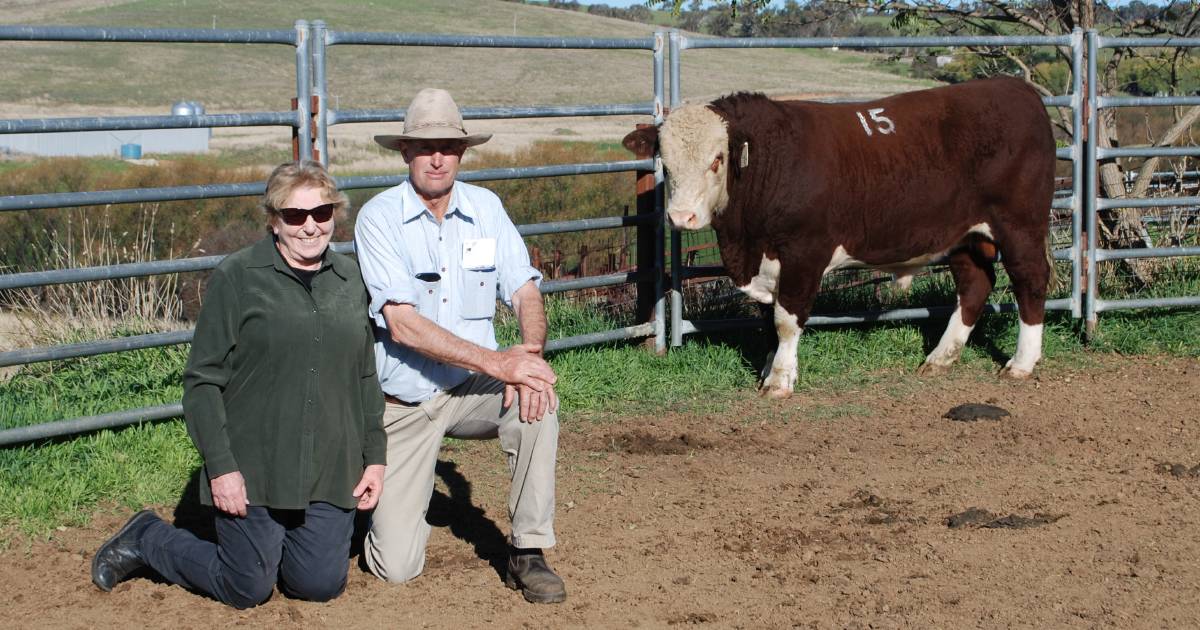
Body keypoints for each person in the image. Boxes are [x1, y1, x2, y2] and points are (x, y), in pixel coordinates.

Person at [90, 161, 386, 609]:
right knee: (247, 588)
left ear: (335, 214)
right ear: (273, 220)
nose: (310, 226)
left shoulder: (351, 280)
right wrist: (222, 467)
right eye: (294, 215)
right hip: (257, 464)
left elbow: (365, 374)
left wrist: (374, 458)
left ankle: (279, 547)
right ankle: (149, 537)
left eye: (322, 213)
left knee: (319, 584)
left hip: (330, 463)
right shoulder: (239, 276)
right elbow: (202, 380)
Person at [354, 88, 566, 604]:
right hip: (404, 401)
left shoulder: (486, 207)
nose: (437, 157)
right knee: (396, 567)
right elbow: (402, 326)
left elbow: (523, 289)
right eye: (425, 146)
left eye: (448, 146)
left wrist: (529, 359)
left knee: (537, 404)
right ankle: (385, 514)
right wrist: (500, 361)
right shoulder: (378, 218)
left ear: (463, 152)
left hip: (472, 386)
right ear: (404, 151)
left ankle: (528, 551)